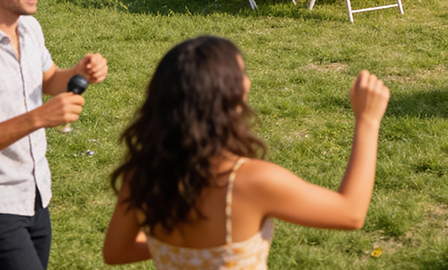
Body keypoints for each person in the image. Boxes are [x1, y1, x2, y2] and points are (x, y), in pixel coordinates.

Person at [102, 36, 390, 268]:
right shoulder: (249, 181)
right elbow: (351, 213)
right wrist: (367, 120)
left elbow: (116, 251)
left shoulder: (142, 175)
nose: (247, 82)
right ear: (226, 97)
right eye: (242, 74)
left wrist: (186, 253)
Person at [0, 0, 108, 270]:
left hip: (35, 194)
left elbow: (47, 79)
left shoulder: (29, 28)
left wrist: (78, 72)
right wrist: (37, 118)